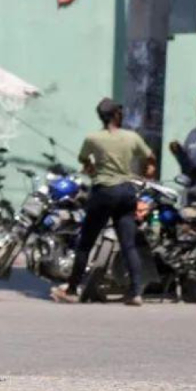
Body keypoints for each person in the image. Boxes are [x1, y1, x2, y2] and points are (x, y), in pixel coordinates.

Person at [51, 98, 156, 306]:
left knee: (85, 245)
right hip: (126, 192)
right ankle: (136, 293)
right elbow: (150, 158)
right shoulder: (131, 137)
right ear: (117, 114)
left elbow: (83, 159)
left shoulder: (93, 138)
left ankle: (72, 290)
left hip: (103, 192)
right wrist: (147, 173)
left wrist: (91, 168)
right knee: (128, 245)